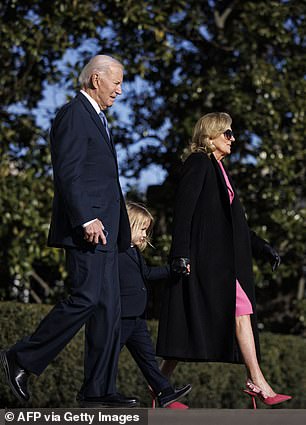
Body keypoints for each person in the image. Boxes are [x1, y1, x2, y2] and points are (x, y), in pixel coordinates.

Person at [0, 55, 137, 408]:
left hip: (107, 232)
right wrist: (85, 218)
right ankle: (21, 358)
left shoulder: (97, 118)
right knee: (86, 298)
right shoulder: (74, 115)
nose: (120, 90)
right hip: (88, 230)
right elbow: (68, 172)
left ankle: (98, 391)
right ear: (95, 79)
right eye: (117, 82)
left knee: (109, 311)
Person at [156, 112, 292, 409]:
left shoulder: (219, 171)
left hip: (222, 263)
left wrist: (263, 247)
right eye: (227, 133)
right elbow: (184, 211)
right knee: (208, 317)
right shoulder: (199, 163)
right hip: (205, 261)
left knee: (203, 322)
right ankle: (257, 381)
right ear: (210, 136)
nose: (233, 139)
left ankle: (160, 387)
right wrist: (180, 253)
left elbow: (235, 225)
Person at [119, 202, 191, 408]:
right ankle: (95, 390)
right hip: (121, 316)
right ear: (128, 225)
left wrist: (173, 270)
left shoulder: (135, 253)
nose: (145, 234)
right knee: (108, 356)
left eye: (146, 229)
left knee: (148, 358)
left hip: (137, 317)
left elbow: (147, 274)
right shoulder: (116, 252)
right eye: (141, 228)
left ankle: (165, 393)